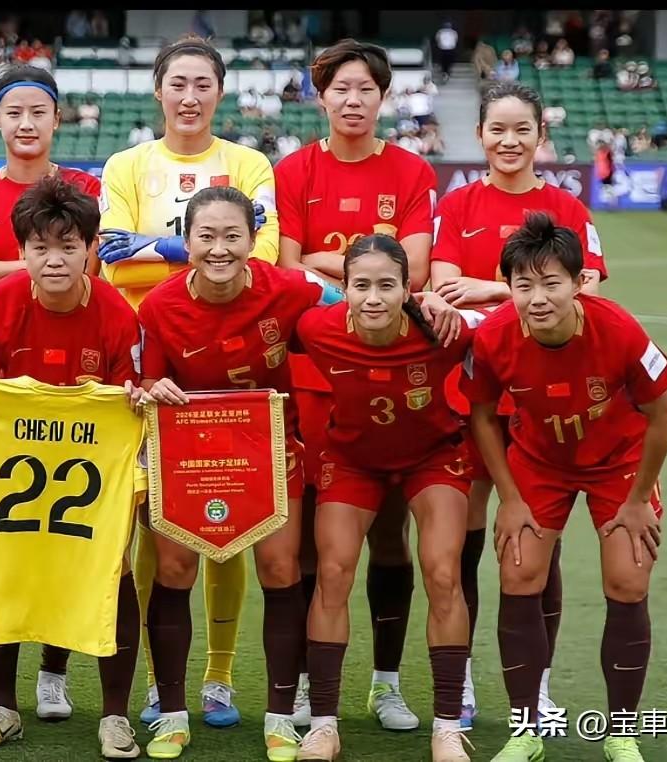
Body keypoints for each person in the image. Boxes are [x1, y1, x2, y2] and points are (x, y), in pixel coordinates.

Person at [95, 34, 281, 729]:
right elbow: (113, 263)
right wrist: (206, 250)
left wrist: (167, 246)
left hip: (232, 362)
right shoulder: (127, 164)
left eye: (203, 83)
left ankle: (220, 677)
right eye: (178, 83)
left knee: (230, 522)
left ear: (220, 92)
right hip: (151, 364)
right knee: (158, 524)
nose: (190, 96)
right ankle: (158, 680)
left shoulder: (249, 163)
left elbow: (264, 255)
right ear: (158, 90)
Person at [463, 214, 667, 762]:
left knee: (627, 580)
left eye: (551, 283)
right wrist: (510, 499)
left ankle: (622, 733)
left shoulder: (620, 329)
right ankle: (525, 731)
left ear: (580, 282)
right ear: (508, 285)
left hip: (619, 462)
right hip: (539, 462)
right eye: (524, 285)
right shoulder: (493, 337)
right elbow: (482, 416)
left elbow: (660, 419)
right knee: (519, 573)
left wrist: (638, 501)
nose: (537, 298)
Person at [274, 38, 438, 733]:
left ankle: (386, 683)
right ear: (321, 98)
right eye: (339, 88)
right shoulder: (294, 169)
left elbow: (416, 272)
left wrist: (328, 267)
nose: (352, 100)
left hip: (394, 375)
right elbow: (285, 269)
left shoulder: (411, 169)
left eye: (365, 89)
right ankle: (308, 687)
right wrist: (366, 277)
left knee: (391, 535)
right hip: (313, 375)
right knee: (317, 543)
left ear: (383, 97)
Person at [431, 82, 608, 728]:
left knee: (541, 540)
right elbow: (442, 288)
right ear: (480, 134)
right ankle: (464, 679)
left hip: (547, 395)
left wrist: (492, 290)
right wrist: (528, 292)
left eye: (521, 130)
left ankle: (539, 684)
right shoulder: (457, 205)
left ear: (541, 136)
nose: (509, 141)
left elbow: (589, 289)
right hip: (473, 390)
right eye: (497, 129)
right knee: (467, 539)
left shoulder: (565, 206)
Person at [138, 187, 336, 761]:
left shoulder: (289, 289)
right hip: (189, 456)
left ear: (253, 240)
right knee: (174, 568)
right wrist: (153, 388)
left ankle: (280, 718)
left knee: (279, 568)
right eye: (206, 236)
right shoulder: (159, 306)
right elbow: (145, 382)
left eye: (232, 236)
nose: (219, 249)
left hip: (269, 452)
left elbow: (348, 301)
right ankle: (171, 715)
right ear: (186, 241)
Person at [0, 178, 144, 759]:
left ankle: (115, 716)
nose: (54, 260)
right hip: (11, 471)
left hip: (89, 474)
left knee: (112, 572)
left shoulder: (115, 313)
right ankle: (3, 707)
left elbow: (128, 397)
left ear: (90, 247)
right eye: (40, 248)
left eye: (68, 246)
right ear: (22, 251)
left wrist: (132, 401)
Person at [294, 235, 473, 762]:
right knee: (332, 573)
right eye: (361, 286)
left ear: (408, 289)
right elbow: (282, 287)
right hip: (353, 459)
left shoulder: (443, 329)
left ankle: (447, 728)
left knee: (444, 572)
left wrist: (450, 300)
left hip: (431, 457)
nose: (373, 298)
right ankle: (323, 726)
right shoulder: (316, 328)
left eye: (387, 286)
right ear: (344, 288)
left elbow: (511, 324)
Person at [0, 65, 100, 286]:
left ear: (56, 119)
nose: (26, 124)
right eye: (14, 113)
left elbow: (84, 272)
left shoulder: (85, 188)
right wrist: (42, 267)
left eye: (38, 113)